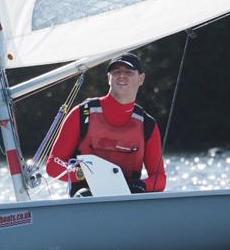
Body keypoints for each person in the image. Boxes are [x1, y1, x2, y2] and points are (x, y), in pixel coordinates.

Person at [45, 52, 166, 196]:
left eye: (128, 72)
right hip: (85, 197)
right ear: (109, 78)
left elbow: (160, 179)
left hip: (127, 198)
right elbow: (53, 165)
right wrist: (88, 175)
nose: (122, 75)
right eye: (116, 72)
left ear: (141, 78)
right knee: (85, 195)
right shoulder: (82, 113)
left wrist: (137, 185)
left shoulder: (148, 125)